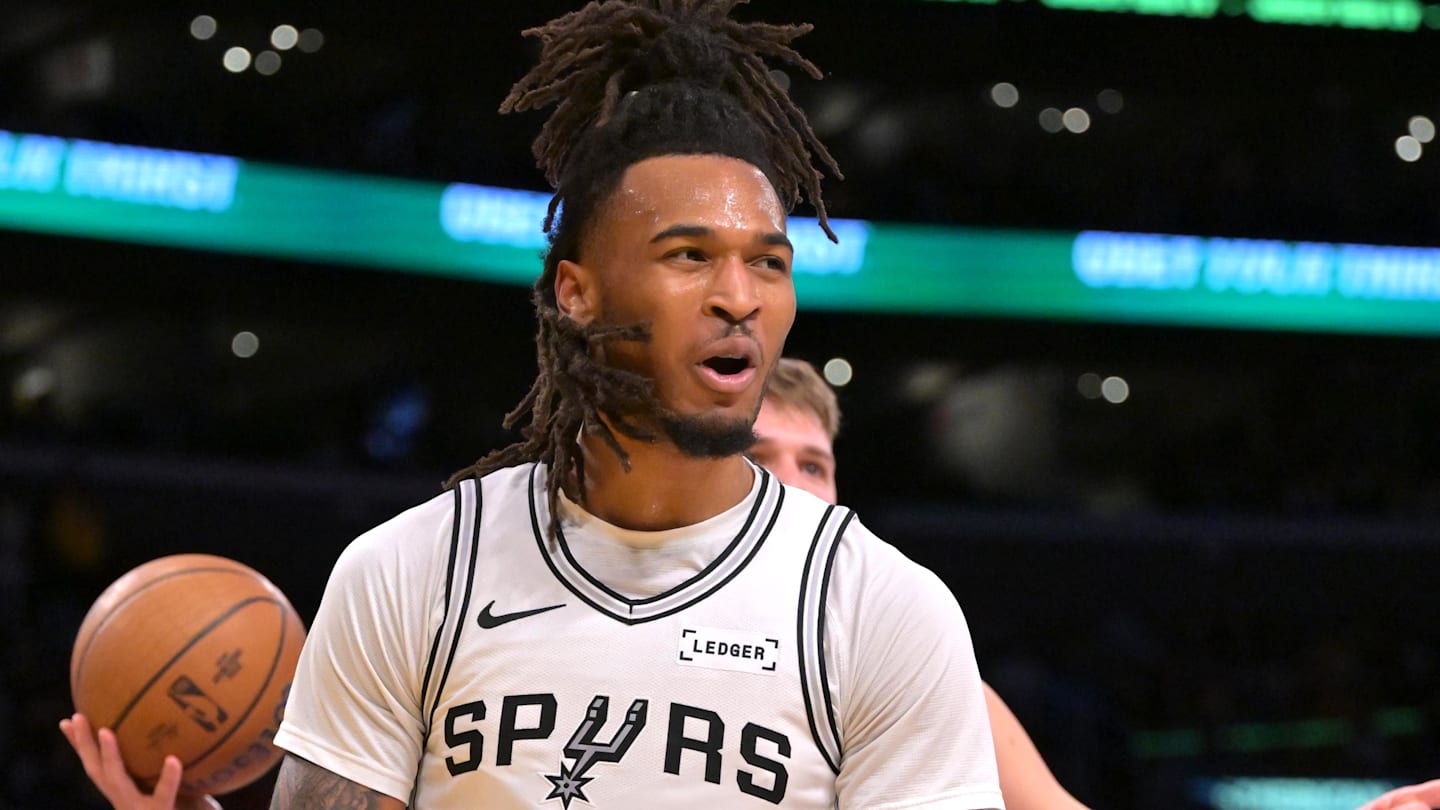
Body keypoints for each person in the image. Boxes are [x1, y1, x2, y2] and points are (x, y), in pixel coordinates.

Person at [60, 2, 1004, 809]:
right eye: (688, 256)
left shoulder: (884, 610)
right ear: (575, 292)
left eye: (768, 262)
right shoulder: (411, 571)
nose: (739, 297)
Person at [749, 358, 1089, 810]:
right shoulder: (632, 629)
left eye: (813, 467)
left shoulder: (906, 658)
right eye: (756, 458)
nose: (792, 485)